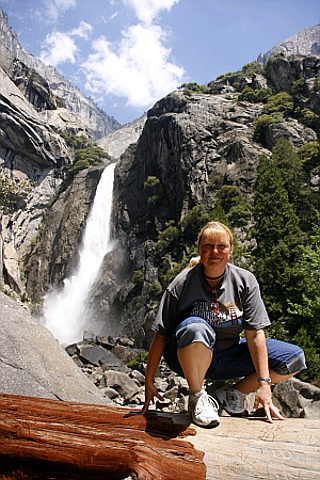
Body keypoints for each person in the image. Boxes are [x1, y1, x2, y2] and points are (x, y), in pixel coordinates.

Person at [142, 221, 306, 427]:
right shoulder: (181, 284)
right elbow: (161, 335)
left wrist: (264, 383)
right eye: (208, 246)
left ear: (231, 250)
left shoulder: (245, 281)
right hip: (187, 357)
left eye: (221, 246)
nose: (215, 252)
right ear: (199, 250)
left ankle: (233, 393)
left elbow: (255, 334)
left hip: (229, 356)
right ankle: (197, 396)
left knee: (294, 358)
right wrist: (149, 381)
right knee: (195, 328)